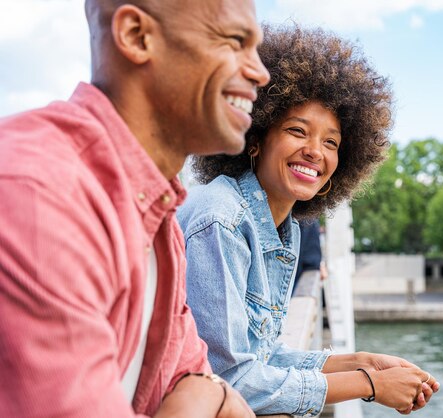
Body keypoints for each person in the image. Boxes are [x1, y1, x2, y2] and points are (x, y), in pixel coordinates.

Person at [0, 0, 270, 417]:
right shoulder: (39, 195)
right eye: (235, 41)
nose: (260, 71)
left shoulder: (157, 214)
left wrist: (206, 390)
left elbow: (189, 371)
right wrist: (206, 396)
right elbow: (197, 386)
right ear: (136, 36)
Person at [178, 25, 440, 417]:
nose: (315, 151)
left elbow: (262, 355)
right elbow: (231, 381)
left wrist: (361, 361)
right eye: (297, 131)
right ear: (256, 138)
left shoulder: (284, 228)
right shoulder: (223, 220)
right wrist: (370, 385)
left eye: (331, 142)